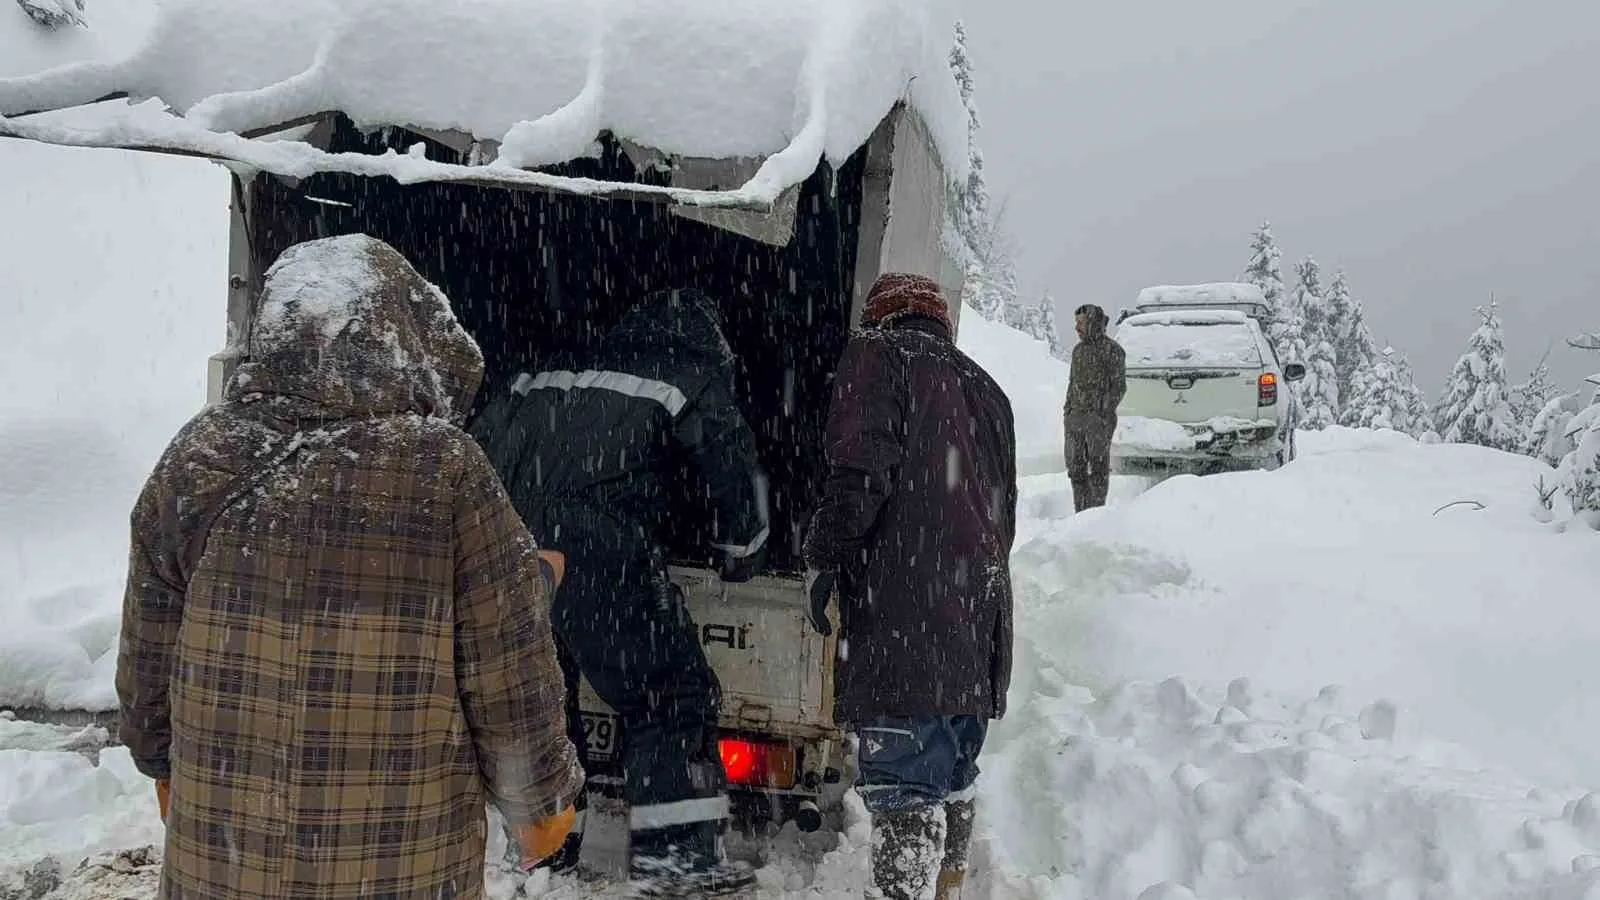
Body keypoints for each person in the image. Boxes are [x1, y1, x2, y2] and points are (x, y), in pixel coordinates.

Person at [115, 234, 584, 899]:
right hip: (402, 868)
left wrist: (160, 760)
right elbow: (507, 669)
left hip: (221, 864)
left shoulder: (201, 454)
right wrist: (540, 800)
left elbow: (148, 653)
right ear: (406, 337)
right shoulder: (444, 470)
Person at [471, 288, 769, 895]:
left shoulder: (550, 371)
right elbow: (731, 468)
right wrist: (742, 547)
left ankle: (544, 852)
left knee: (545, 701)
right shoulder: (688, 373)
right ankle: (677, 862)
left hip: (511, 544)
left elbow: (477, 447)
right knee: (668, 694)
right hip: (600, 545)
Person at [803, 273, 1017, 900]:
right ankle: (946, 888)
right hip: (976, 631)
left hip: (908, 627)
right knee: (952, 775)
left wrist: (823, 556)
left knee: (905, 792)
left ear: (880, 320)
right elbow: (1002, 519)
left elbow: (859, 477)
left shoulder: (879, 358)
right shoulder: (988, 389)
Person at [1062, 303, 1127, 512]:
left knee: (1098, 470)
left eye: (1080, 323)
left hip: (1098, 422)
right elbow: (1072, 384)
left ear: (1092, 323)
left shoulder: (1113, 350)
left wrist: (1101, 411)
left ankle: (1095, 516)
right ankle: (1079, 513)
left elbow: (1119, 387)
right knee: (1075, 469)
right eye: (1076, 323)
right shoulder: (1078, 351)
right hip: (1074, 420)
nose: (1076, 328)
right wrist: (1068, 412)